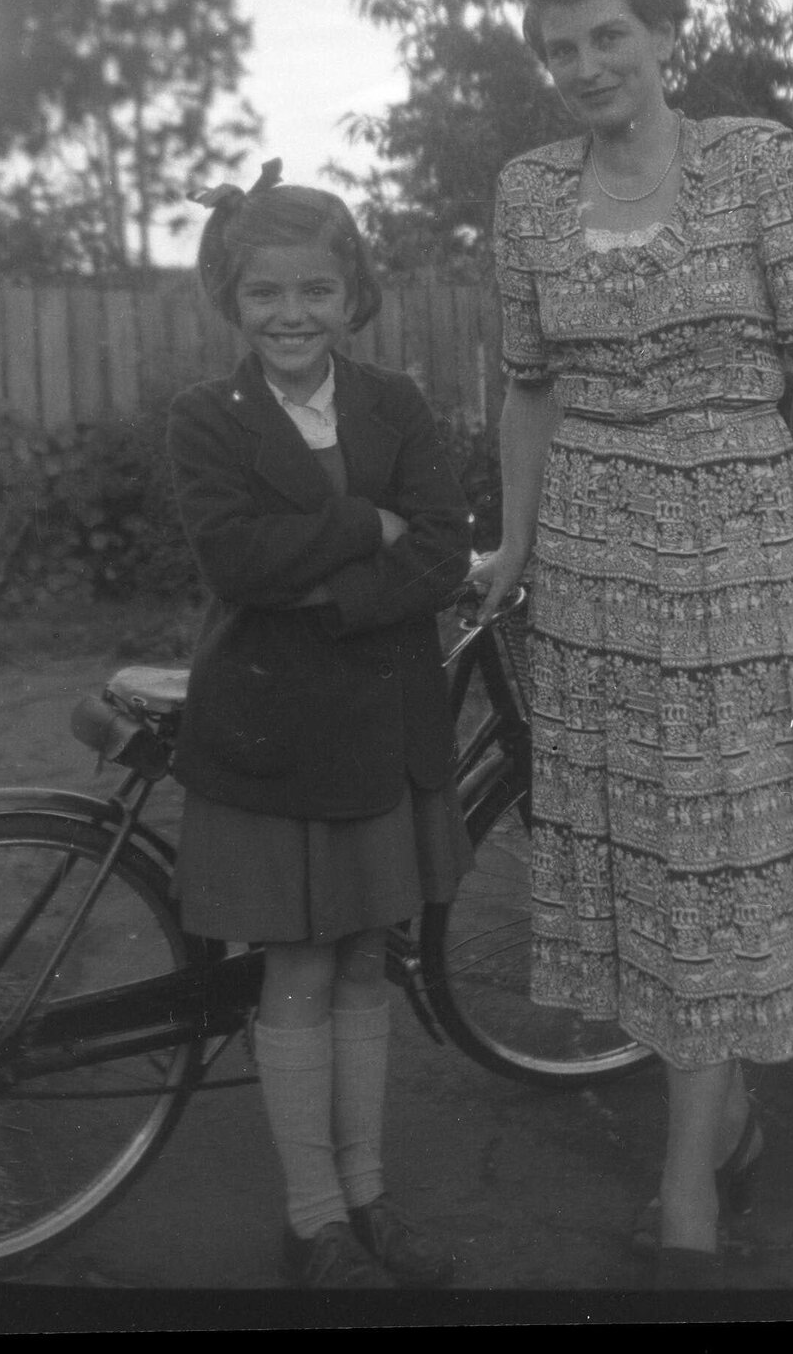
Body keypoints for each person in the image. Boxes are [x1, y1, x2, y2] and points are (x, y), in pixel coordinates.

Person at [471, 0, 793, 1290]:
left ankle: (685, 1185)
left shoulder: (754, 162)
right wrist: (516, 544)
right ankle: (728, 1117)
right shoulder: (527, 192)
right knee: (648, 857)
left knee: (719, 864)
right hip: (590, 564)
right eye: (560, 46)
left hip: (739, 558)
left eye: (606, 36)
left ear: (659, 36)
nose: (585, 64)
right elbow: (528, 383)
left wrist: (773, 515)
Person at [167, 164, 474, 1291]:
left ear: (351, 294)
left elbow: (440, 550)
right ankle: (313, 1217)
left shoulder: (393, 402)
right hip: (277, 738)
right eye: (264, 296)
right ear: (231, 303)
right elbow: (235, 562)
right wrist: (367, 523)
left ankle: (370, 1193)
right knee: (295, 962)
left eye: (314, 290)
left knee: (361, 960)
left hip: (383, 730)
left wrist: (343, 586)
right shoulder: (208, 419)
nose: (290, 315)